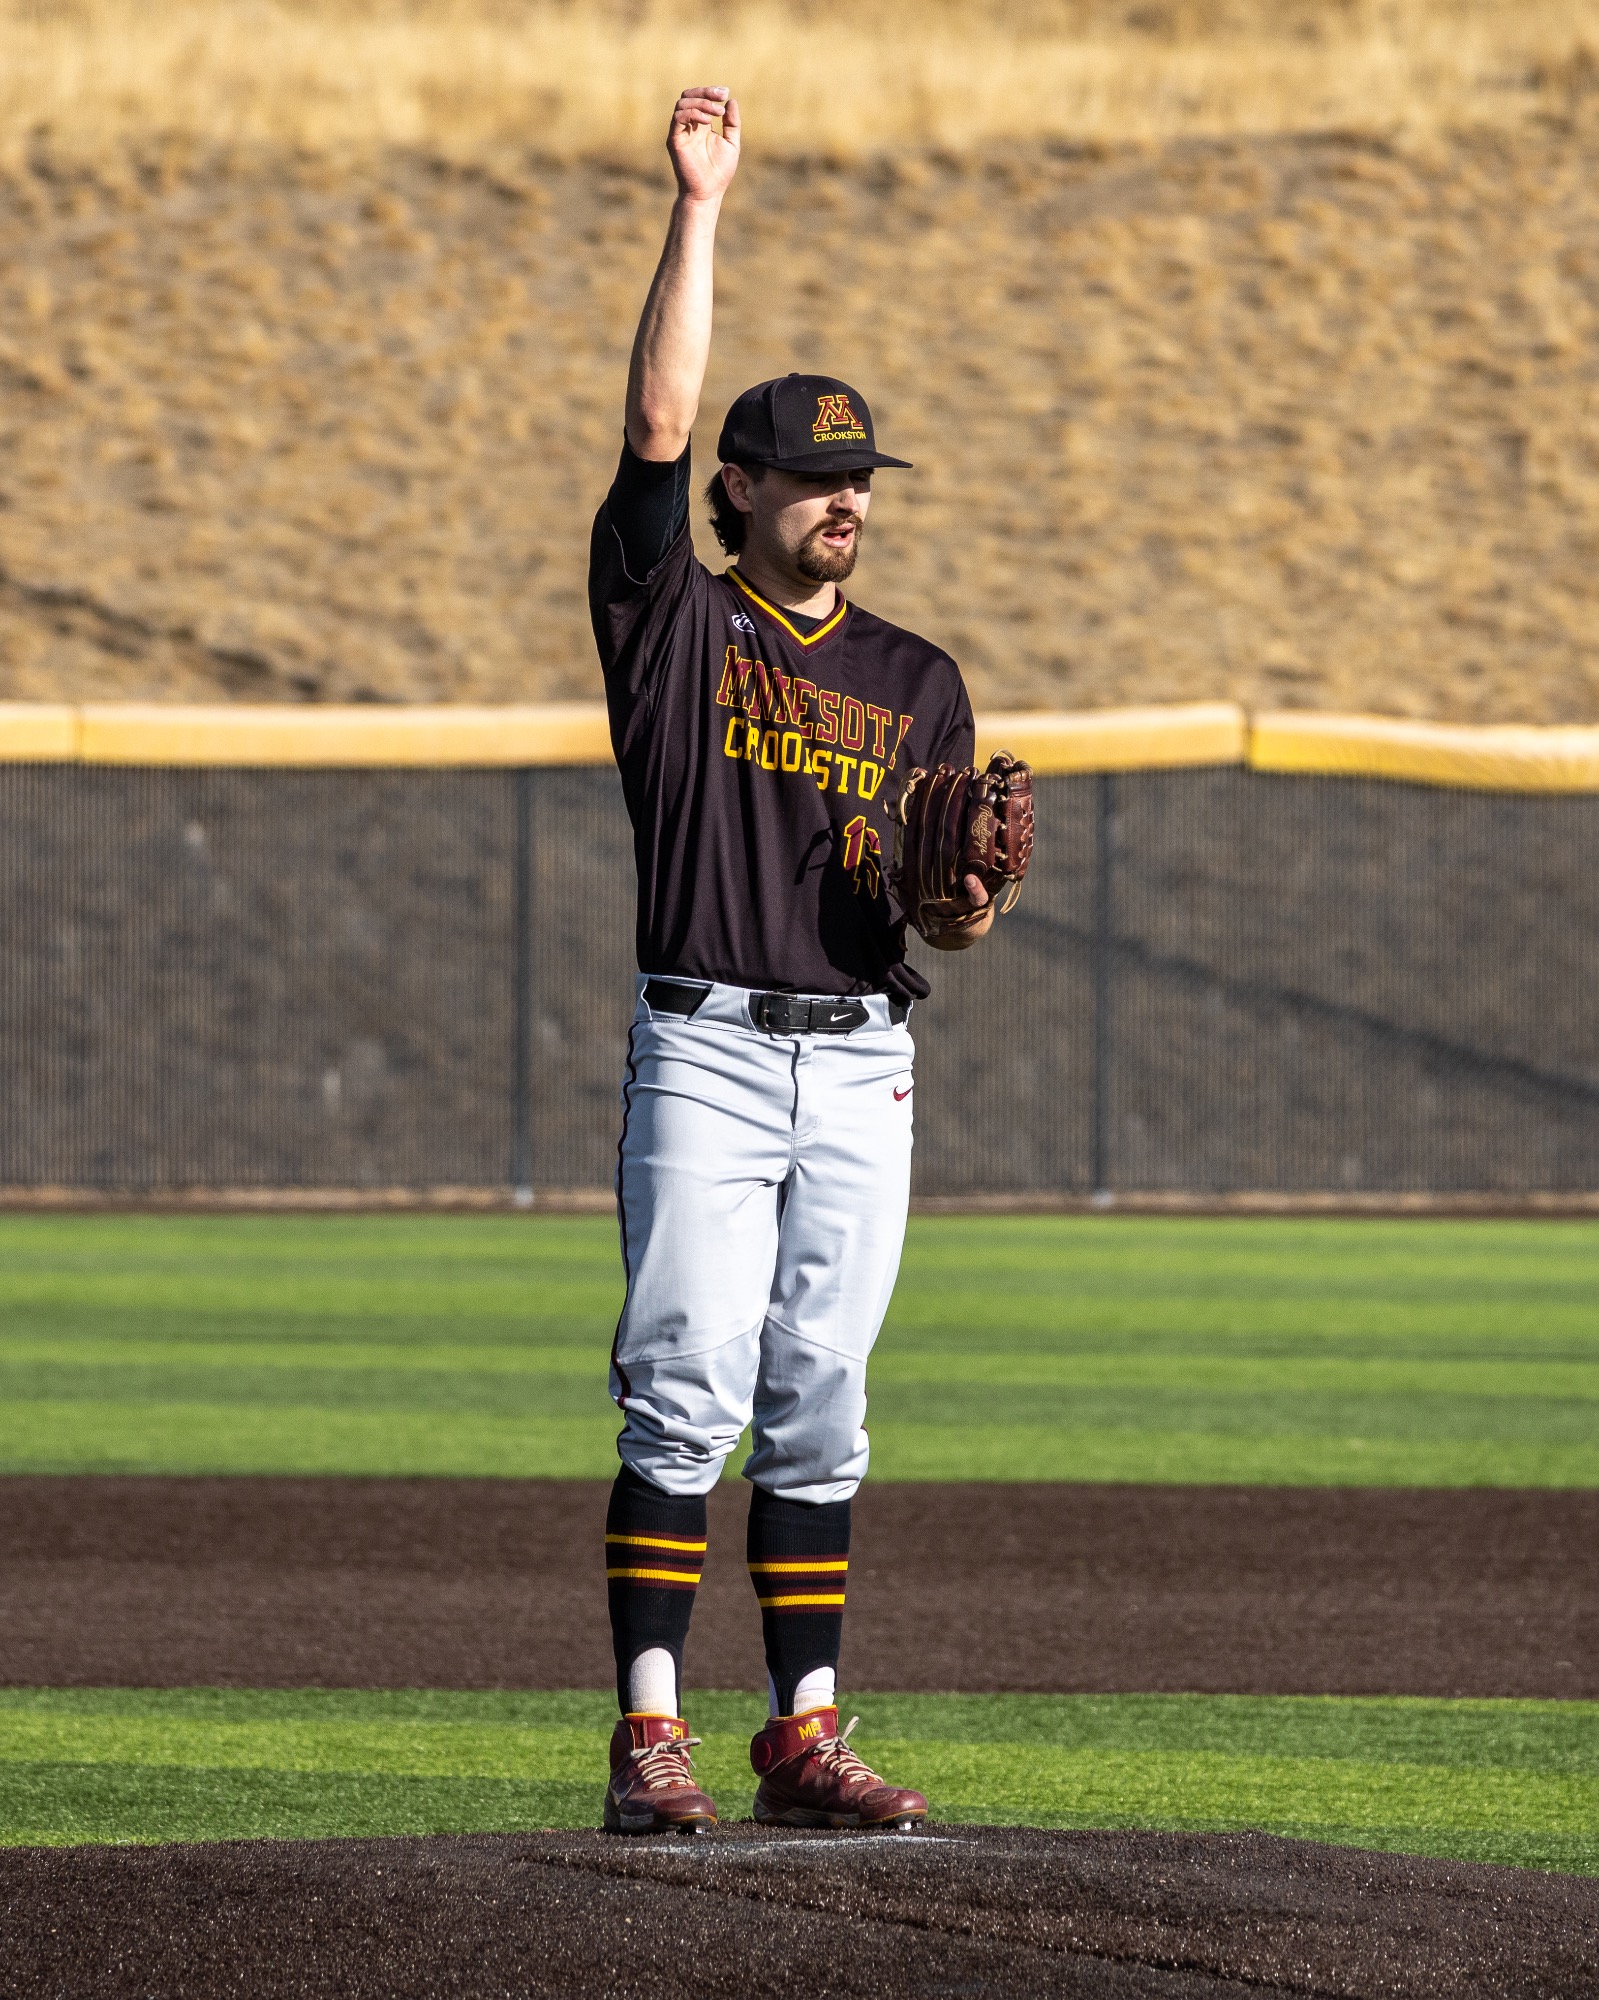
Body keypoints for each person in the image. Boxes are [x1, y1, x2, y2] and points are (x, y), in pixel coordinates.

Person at [589, 85, 999, 1835]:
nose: (843, 500)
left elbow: (942, 910)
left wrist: (962, 915)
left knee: (821, 1396)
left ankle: (803, 1732)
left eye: (860, 478)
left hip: (860, 1055)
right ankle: (650, 1734)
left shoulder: (920, 680)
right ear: (745, 490)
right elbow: (659, 421)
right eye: (814, 477)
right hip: (706, 1043)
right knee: (684, 1370)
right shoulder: (672, 618)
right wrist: (702, 206)